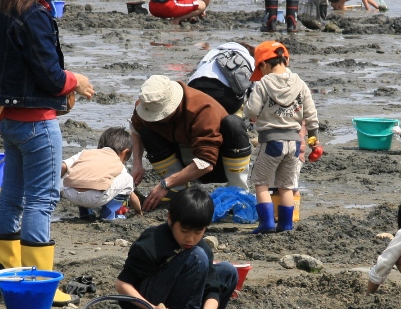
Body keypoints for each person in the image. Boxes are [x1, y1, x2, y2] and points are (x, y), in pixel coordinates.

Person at [0, 0, 96, 306]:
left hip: (11, 121)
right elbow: (50, 75)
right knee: (42, 201)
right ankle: (37, 283)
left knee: (11, 198)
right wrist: (75, 79)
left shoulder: (4, 8)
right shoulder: (35, 14)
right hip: (36, 125)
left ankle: (8, 278)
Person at [115, 188, 238, 309]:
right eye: (184, 231)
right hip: (147, 307)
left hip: (177, 300)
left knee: (228, 271)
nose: (190, 238)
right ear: (170, 219)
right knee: (197, 256)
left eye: (198, 232)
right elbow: (122, 284)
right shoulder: (152, 242)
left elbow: (213, 290)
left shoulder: (201, 247)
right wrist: (152, 308)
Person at [131, 76, 253, 212]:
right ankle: (177, 189)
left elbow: (205, 163)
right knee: (146, 130)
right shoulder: (147, 104)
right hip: (183, 157)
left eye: (160, 115)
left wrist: (165, 184)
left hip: (218, 164)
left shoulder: (202, 110)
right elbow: (136, 128)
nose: (156, 118)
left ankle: (237, 190)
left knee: (234, 123)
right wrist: (137, 163)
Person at [242, 41, 320, 234]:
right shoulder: (300, 83)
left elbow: (251, 110)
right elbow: (311, 114)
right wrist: (313, 139)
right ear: (285, 60)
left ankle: (267, 223)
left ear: (263, 64)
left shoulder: (263, 84)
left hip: (271, 141)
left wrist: (253, 112)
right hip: (294, 142)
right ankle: (286, 225)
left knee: (261, 183)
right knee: (287, 186)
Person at [62, 127, 140, 221]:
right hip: (95, 198)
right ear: (125, 152)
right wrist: (138, 211)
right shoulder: (118, 163)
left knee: (82, 177)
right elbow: (131, 193)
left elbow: (63, 166)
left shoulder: (85, 153)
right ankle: (110, 213)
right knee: (127, 179)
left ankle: (86, 213)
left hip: (70, 193)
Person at [186, 42, 255, 115]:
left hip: (193, 90)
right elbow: (254, 89)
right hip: (222, 96)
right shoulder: (248, 58)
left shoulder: (211, 53)